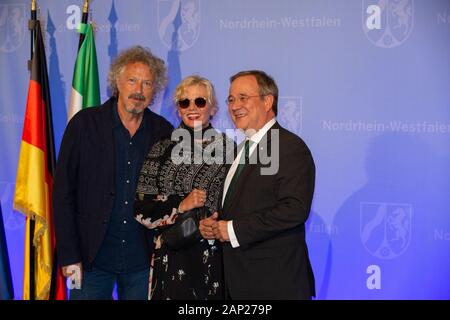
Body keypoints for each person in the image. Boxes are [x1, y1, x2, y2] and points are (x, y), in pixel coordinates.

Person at [53, 46, 173, 300]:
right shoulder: (84, 125)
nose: (139, 91)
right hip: (90, 260)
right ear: (117, 82)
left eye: (147, 83)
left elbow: (170, 196)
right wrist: (69, 254)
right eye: (132, 80)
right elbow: (63, 193)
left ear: (155, 91)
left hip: (143, 261)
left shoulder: (163, 132)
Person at [200, 70, 316, 299]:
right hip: (237, 281)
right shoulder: (240, 149)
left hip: (274, 284)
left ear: (267, 101)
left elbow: (294, 209)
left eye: (243, 97)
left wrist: (232, 229)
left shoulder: (290, 146)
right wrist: (215, 225)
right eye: (231, 99)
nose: (234, 106)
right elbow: (243, 204)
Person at [133, 75, 233, 300]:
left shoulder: (229, 150)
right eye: (184, 102)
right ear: (178, 109)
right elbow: (141, 208)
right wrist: (180, 204)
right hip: (172, 256)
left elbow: (238, 204)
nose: (192, 108)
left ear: (213, 107)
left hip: (214, 256)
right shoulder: (162, 149)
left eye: (200, 101)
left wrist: (216, 222)